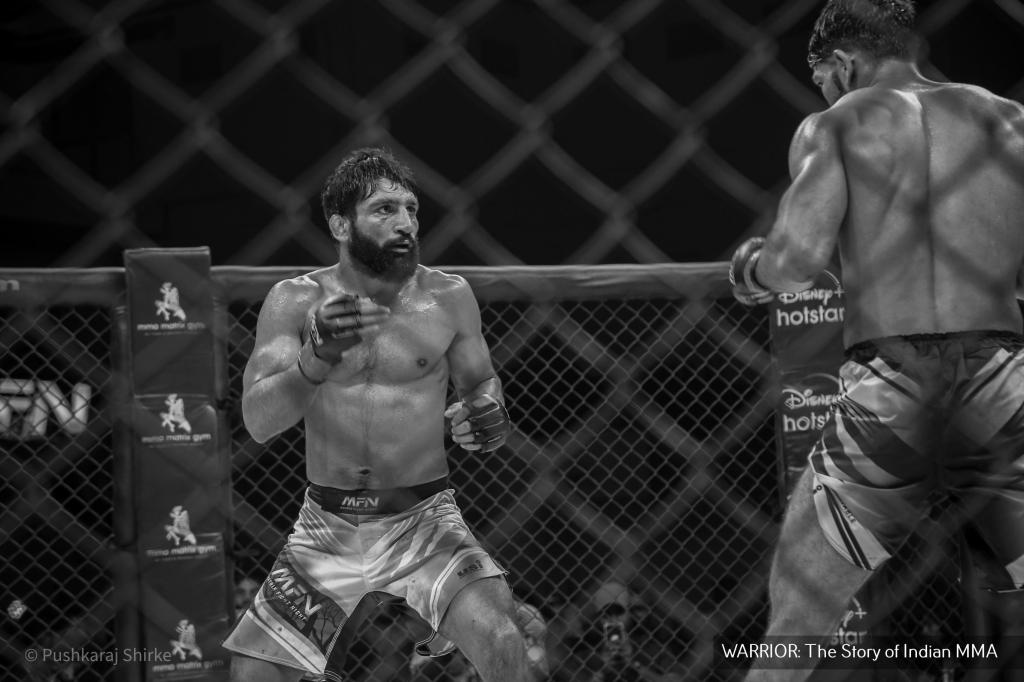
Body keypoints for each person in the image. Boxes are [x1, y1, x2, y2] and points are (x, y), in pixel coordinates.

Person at [729, 0, 1024, 679]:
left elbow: (799, 259)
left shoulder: (837, 124)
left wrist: (752, 270)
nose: (824, 94)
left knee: (797, 621)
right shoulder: (1006, 119)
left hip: (893, 386)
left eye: (821, 80)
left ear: (842, 64)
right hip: (1003, 380)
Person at [223, 147, 534, 682]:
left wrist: (487, 411)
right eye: (384, 209)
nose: (406, 223)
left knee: (503, 640)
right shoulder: (294, 300)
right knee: (254, 676)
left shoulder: (448, 296)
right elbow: (258, 420)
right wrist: (315, 360)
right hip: (327, 528)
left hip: (424, 518)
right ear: (340, 225)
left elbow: (481, 383)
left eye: (411, 209)